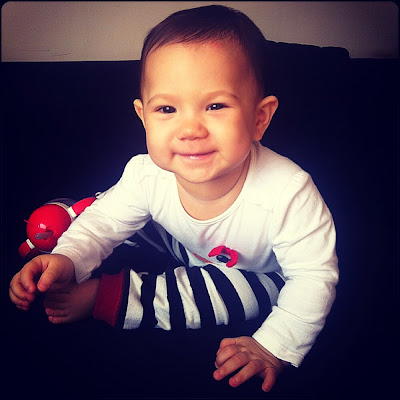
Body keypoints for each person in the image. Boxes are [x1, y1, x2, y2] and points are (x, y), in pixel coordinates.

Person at [9, 5, 338, 393]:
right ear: (143, 116)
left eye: (215, 106)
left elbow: (313, 277)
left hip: (254, 269)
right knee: (112, 215)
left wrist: (274, 345)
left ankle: (106, 297)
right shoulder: (148, 173)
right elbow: (107, 224)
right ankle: (72, 219)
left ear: (258, 118)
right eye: (167, 108)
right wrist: (68, 257)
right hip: (179, 238)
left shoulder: (288, 192)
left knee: (229, 297)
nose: (190, 129)